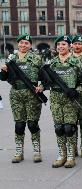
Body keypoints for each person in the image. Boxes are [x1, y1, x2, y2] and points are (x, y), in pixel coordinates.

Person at [0, 34, 43, 163]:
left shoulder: (36, 59)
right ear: (18, 44)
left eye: (26, 43)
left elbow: (46, 76)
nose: (23, 45)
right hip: (16, 94)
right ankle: (19, 152)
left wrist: (41, 86)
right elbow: (3, 78)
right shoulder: (11, 58)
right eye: (21, 42)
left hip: (32, 95)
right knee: (19, 125)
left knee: (32, 124)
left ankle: (37, 151)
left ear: (30, 45)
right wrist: (3, 71)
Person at [48, 35, 82, 168]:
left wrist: (77, 91)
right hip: (56, 97)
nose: (60, 47)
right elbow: (47, 81)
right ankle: (61, 155)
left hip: (70, 98)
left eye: (63, 44)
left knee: (69, 128)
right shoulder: (52, 63)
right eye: (58, 45)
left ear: (69, 46)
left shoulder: (76, 61)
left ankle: (70, 156)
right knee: (59, 128)